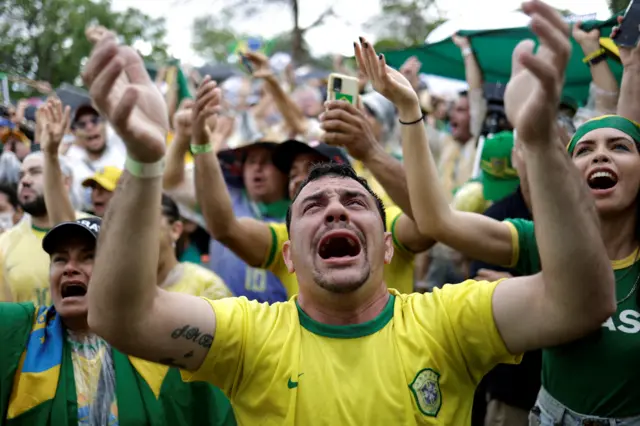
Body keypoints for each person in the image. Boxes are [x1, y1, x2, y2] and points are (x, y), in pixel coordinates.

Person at [83, 20, 613, 425]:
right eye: (311, 206)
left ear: (388, 247)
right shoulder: (248, 336)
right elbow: (119, 317)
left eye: (355, 203)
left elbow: (583, 303)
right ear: (287, 255)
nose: (335, 208)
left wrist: (542, 147)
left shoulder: (450, 321)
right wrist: (144, 162)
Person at [382, 2, 640, 424]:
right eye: (585, 149)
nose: (600, 157)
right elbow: (437, 221)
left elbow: (629, 123)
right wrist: (411, 113)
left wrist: (629, 64)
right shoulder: (540, 241)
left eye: (619, 148)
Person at [190, 77, 432, 297]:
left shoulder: (380, 224)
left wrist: (369, 151)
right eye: (293, 174)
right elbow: (224, 229)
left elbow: (428, 223)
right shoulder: (286, 239)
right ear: (289, 256)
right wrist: (201, 144)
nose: (298, 179)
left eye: (311, 170)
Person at [0, 216, 236, 426]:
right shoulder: (21, 332)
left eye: (89, 257)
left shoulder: (163, 339)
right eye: (60, 259)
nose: (70, 268)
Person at [163, 100, 290, 303]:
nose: (257, 167)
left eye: (267, 161)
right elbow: (171, 184)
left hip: (279, 327)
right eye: (251, 161)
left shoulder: (301, 210)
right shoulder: (226, 198)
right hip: (223, 323)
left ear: (286, 172)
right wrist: (182, 136)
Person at [0, 151, 87, 305]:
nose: (25, 181)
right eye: (21, 175)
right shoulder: (4, 244)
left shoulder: (94, 230)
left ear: (65, 182)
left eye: (36, 172)